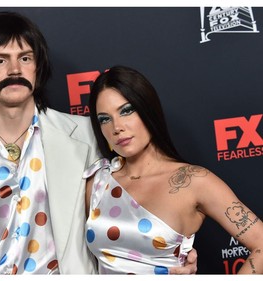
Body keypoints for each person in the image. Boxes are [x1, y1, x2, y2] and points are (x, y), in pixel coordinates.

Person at [0, 12, 197, 274]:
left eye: (25, 58)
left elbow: (132, 202)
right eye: (0, 60)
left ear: (38, 67)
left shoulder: (89, 135)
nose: (15, 69)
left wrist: (164, 260)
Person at [84, 65, 263, 274]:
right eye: (104, 119)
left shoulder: (194, 181)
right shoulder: (97, 183)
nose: (116, 126)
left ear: (147, 109)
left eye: (126, 110)